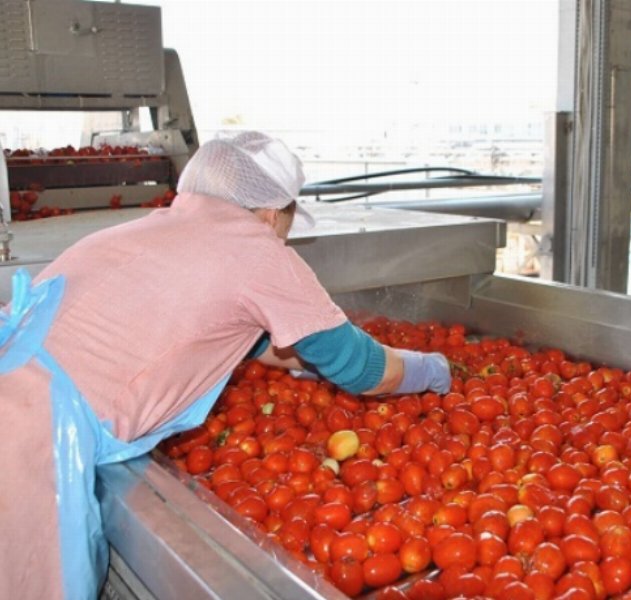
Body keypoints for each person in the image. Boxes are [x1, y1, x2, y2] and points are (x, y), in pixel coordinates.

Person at [0, 131, 451, 600]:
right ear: (275, 214)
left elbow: (232, 334)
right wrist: (429, 369)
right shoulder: (258, 251)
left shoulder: (152, 228)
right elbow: (363, 368)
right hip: (33, 438)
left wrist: (310, 362)